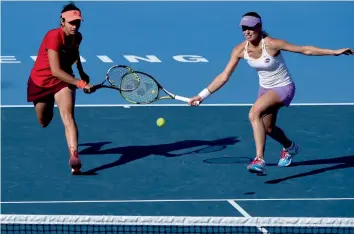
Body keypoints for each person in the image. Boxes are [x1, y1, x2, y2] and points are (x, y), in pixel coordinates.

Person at [188, 12, 353, 175]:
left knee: (254, 113)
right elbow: (224, 76)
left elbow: (305, 50)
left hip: (284, 87)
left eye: (251, 28)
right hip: (265, 90)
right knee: (268, 128)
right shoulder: (239, 50)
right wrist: (202, 96)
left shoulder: (272, 44)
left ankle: (259, 159)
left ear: (259, 27)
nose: (247, 31)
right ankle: (290, 147)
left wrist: (334, 51)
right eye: (244, 28)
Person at [27, 2, 93, 175]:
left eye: (77, 22)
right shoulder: (53, 36)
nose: (75, 26)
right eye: (71, 22)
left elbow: (74, 53)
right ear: (62, 21)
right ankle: (50, 104)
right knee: (44, 121)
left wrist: (81, 72)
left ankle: (74, 158)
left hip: (63, 81)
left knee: (68, 117)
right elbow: (55, 70)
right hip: (41, 82)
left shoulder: (77, 37)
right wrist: (80, 83)